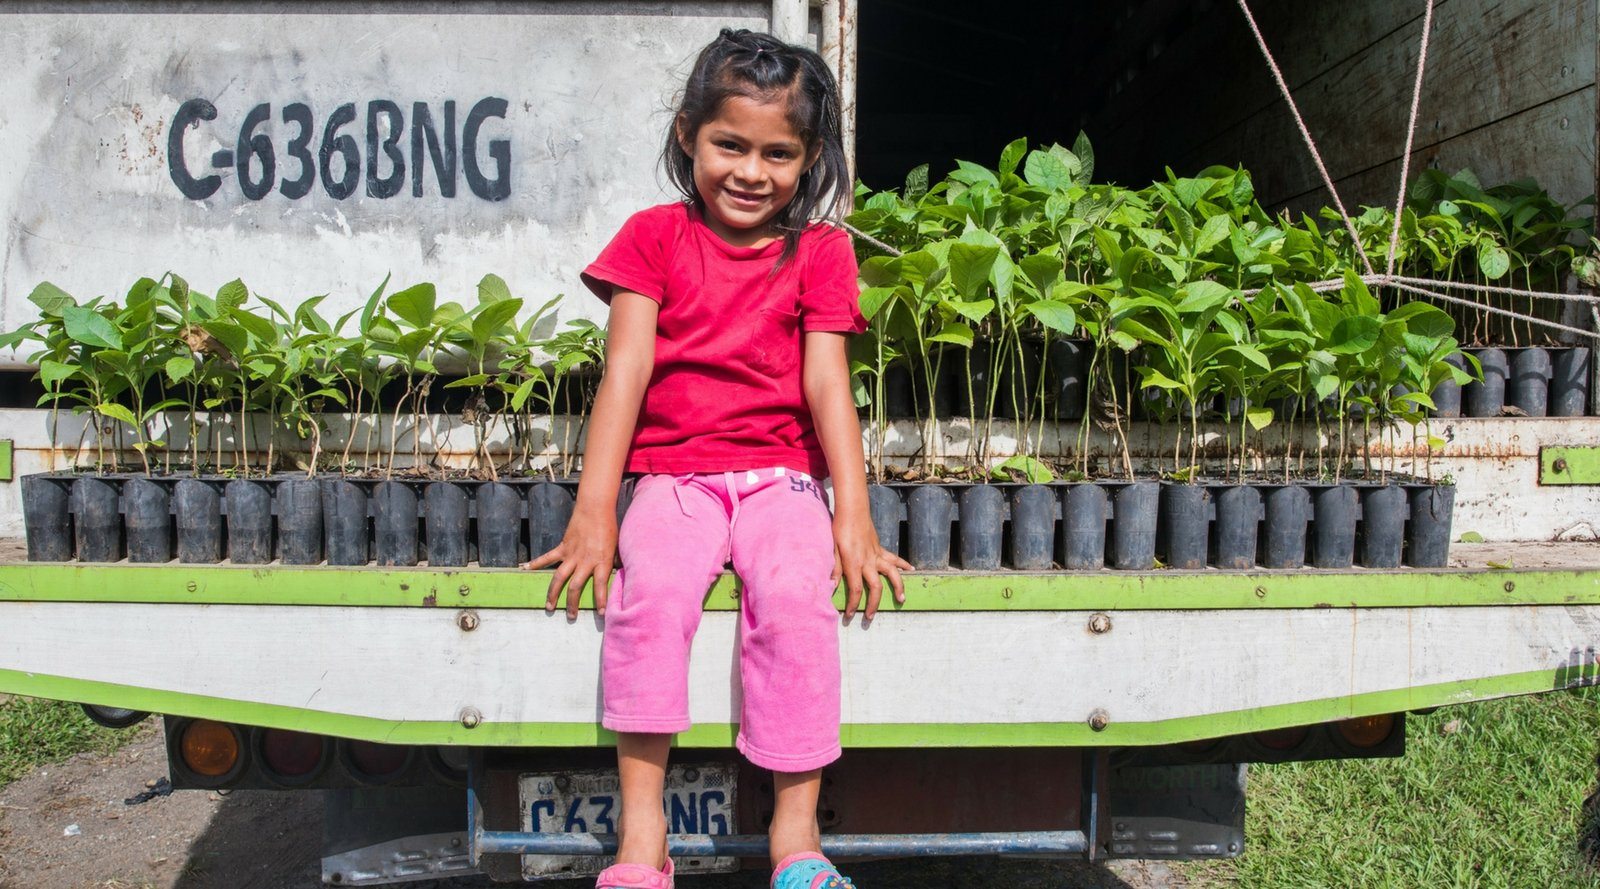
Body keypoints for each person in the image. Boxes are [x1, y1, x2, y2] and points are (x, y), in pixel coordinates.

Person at [522, 26, 912, 889]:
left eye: (779, 153)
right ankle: (641, 837)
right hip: (674, 481)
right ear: (687, 136)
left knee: (796, 601)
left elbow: (826, 385)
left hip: (782, 482)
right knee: (648, 598)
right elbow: (624, 374)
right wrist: (595, 511)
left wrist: (853, 512)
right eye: (729, 144)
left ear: (808, 159)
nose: (750, 171)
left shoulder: (821, 249)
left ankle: (796, 840)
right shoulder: (653, 238)